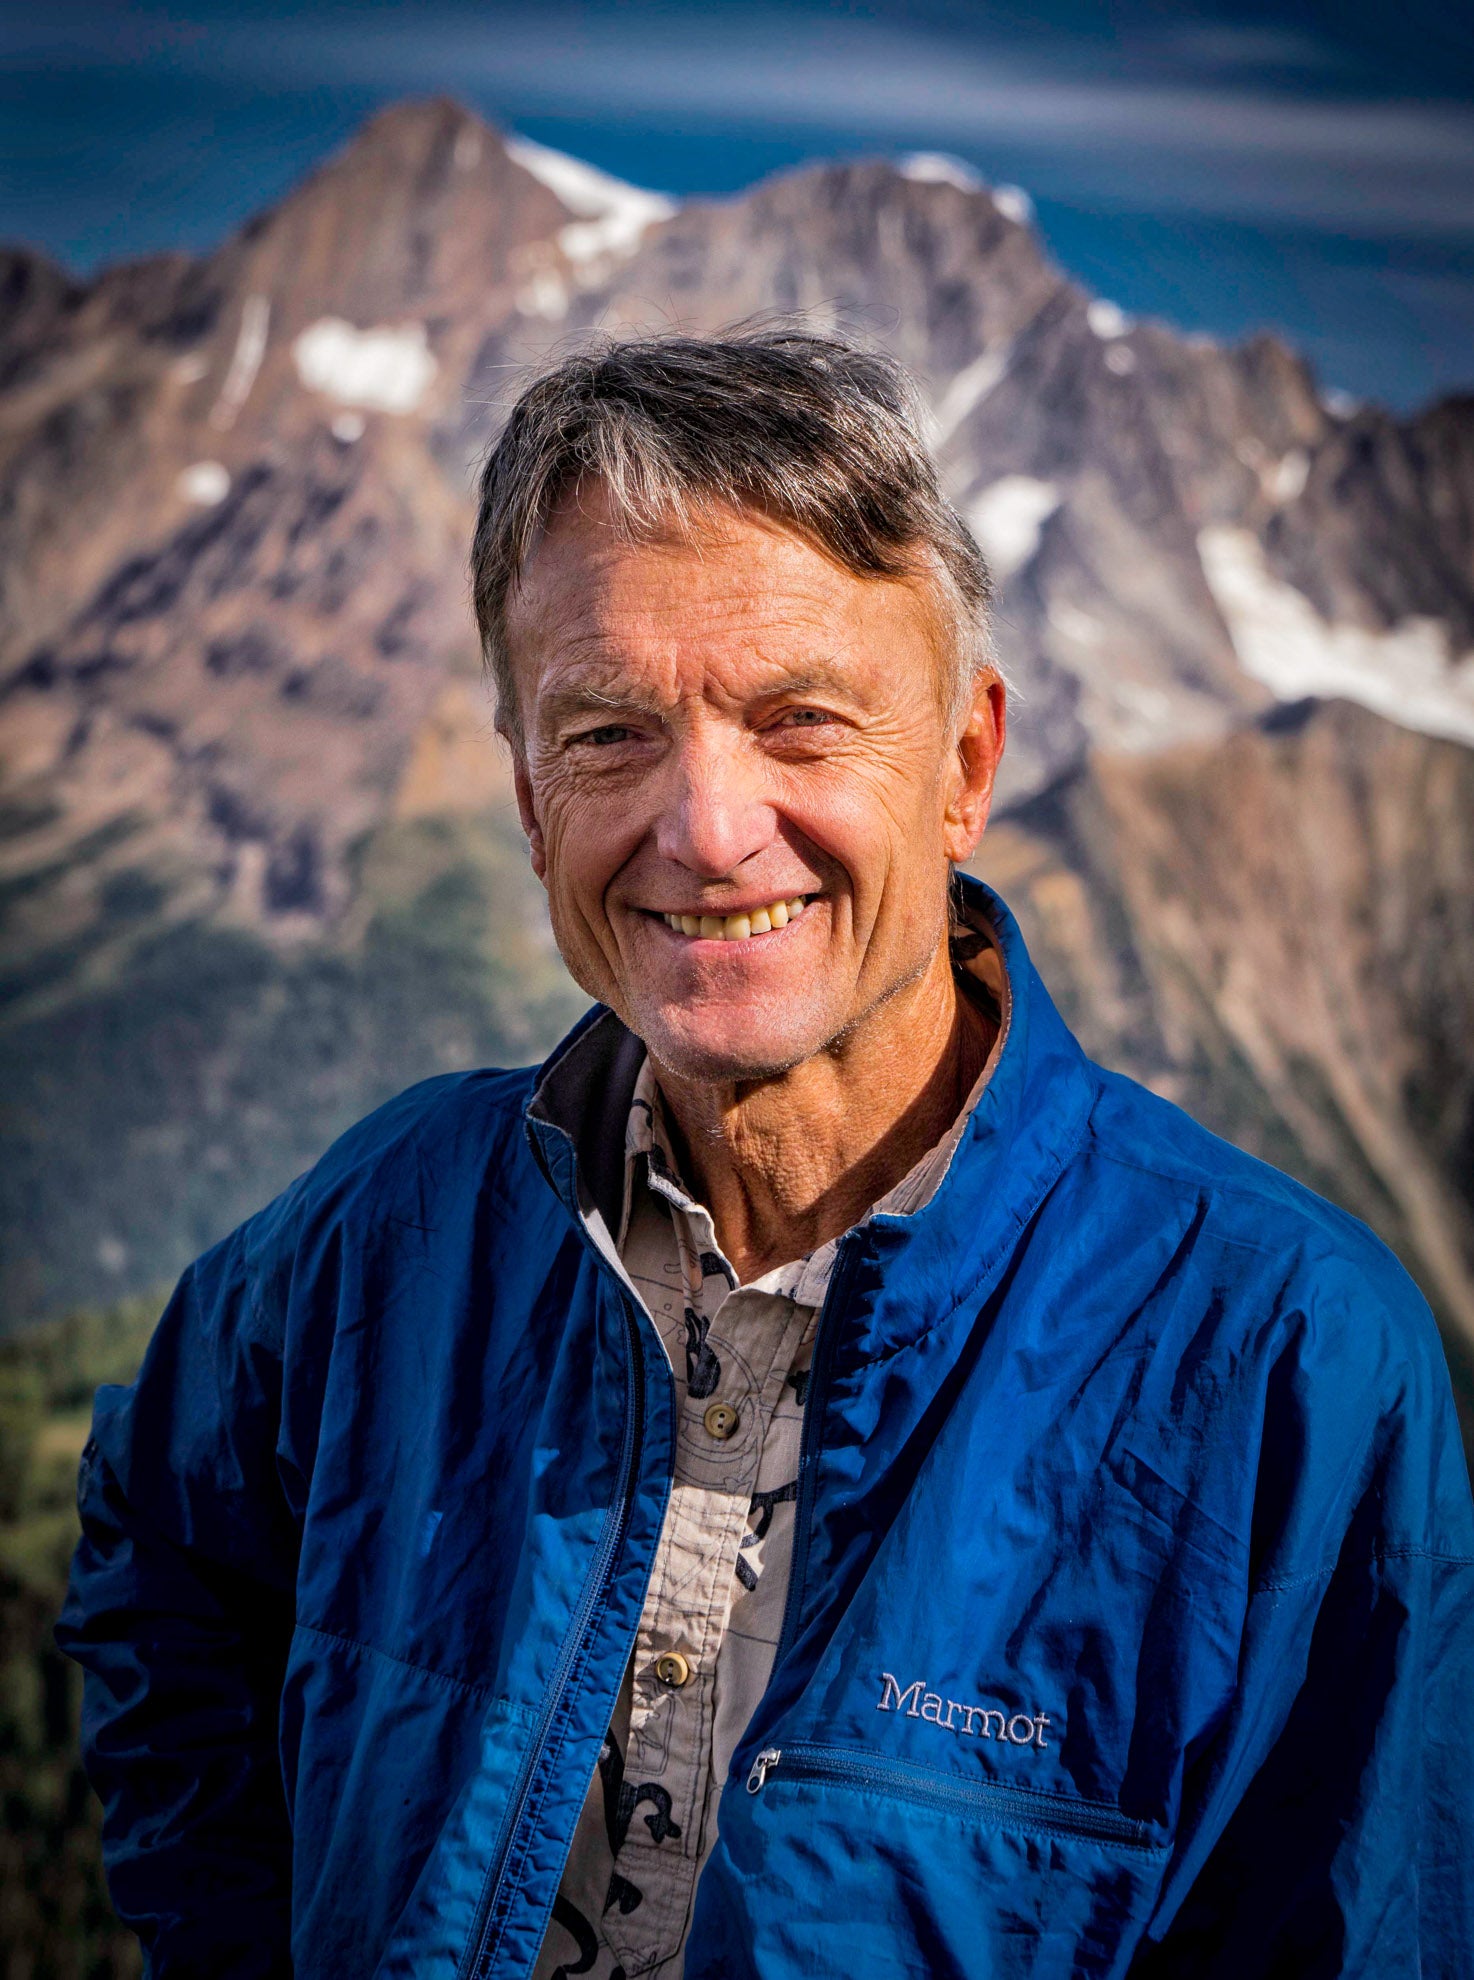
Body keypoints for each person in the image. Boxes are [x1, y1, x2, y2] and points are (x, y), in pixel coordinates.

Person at [59, 331, 1473, 1979]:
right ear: (524, 797)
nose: (707, 829)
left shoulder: (1279, 1353)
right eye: (605, 736)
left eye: (800, 721)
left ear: (962, 766)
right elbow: (157, 1540)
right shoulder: (387, 1226)